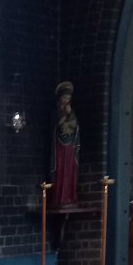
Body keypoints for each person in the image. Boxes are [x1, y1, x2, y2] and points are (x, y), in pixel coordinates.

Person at [51, 79, 80, 209]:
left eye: (68, 98)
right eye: (64, 98)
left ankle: (69, 196)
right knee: (61, 170)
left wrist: (69, 121)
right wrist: (63, 121)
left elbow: (75, 125)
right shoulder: (57, 112)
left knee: (69, 170)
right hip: (60, 146)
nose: (66, 100)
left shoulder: (71, 112)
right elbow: (56, 126)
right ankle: (60, 197)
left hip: (70, 146)